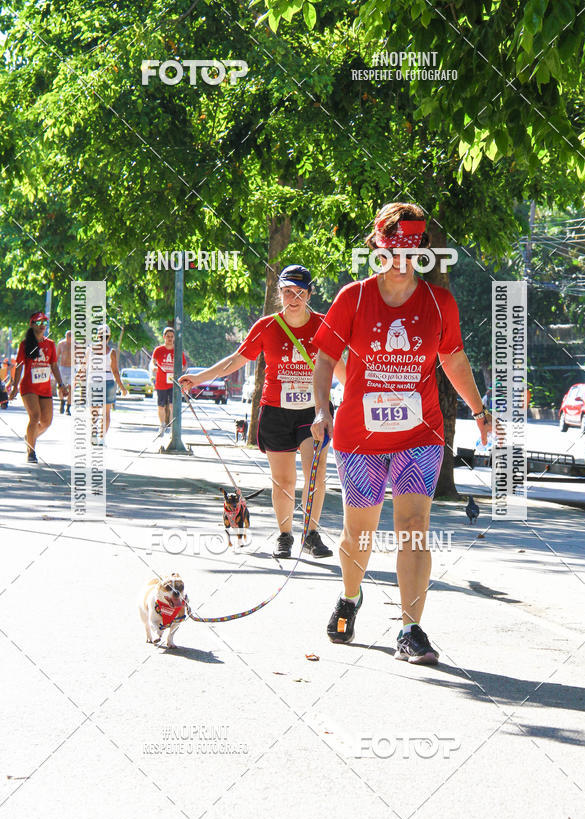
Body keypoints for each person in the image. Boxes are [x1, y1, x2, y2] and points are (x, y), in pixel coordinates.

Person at [311, 203, 492, 664]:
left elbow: (451, 358)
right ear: (377, 247)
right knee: (359, 534)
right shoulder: (353, 297)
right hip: (360, 435)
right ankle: (351, 597)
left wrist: (478, 407)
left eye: (411, 252)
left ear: (422, 254)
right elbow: (326, 358)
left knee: (414, 529)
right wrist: (321, 410)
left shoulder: (439, 302)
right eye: (392, 250)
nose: (401, 261)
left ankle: (411, 629)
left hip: (420, 434)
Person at [180, 265, 345, 559]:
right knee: (284, 480)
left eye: (299, 293)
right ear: (279, 293)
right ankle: (285, 536)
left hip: (314, 411)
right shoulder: (266, 326)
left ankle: (311, 534)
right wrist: (199, 379)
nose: (293, 299)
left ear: (309, 294)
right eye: (286, 292)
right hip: (276, 410)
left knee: (315, 474)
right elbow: (235, 360)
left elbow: (341, 368)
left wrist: (365, 396)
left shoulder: (325, 324)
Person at [9, 312, 67, 462]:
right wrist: (14, 387)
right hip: (29, 387)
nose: (42, 325)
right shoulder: (25, 344)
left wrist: (61, 385)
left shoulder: (50, 344)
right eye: (39, 322)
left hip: (45, 388)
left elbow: (54, 365)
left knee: (47, 422)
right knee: (34, 417)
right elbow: (20, 365)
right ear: (32, 324)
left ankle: (30, 437)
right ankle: (31, 452)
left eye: (45, 322)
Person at [79, 324, 127, 444]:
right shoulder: (111, 352)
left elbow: (83, 368)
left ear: (97, 335)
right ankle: (102, 438)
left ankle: (93, 434)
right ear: (109, 336)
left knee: (94, 411)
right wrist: (122, 388)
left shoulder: (89, 350)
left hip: (93, 380)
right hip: (108, 381)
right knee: (106, 413)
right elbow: (115, 372)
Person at [151, 327, 187, 437]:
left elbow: (184, 366)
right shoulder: (158, 350)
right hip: (161, 383)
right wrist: (154, 368)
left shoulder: (177, 351)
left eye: (172, 337)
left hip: (173, 383)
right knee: (161, 406)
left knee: (172, 406)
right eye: (168, 336)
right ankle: (162, 426)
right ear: (164, 337)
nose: (170, 339)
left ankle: (172, 429)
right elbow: (153, 363)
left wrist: (179, 370)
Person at [56, 330, 73, 415]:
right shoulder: (61, 344)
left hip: (72, 368)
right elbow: (56, 356)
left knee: (71, 388)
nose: (68, 338)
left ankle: (68, 407)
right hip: (62, 367)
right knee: (60, 387)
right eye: (67, 336)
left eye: (70, 336)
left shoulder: (76, 345)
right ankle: (62, 401)